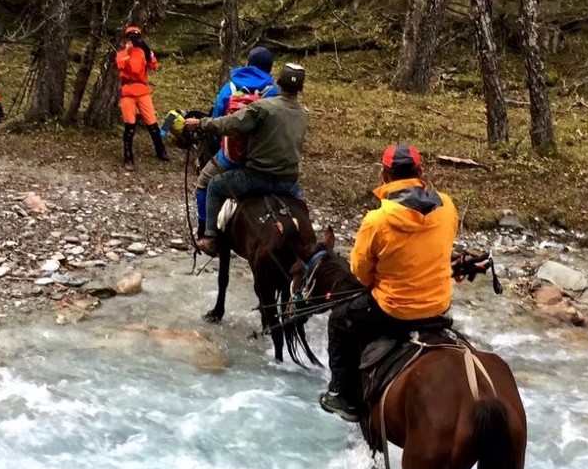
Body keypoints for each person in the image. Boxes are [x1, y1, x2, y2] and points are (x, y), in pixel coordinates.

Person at [319, 144, 460, 422]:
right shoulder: (447, 205)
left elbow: (360, 273)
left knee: (338, 321)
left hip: (393, 310)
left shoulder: (377, 220)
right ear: (420, 172)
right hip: (437, 306)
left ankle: (341, 395)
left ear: (385, 175)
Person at [185, 62, 308, 257]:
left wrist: (201, 123)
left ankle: (210, 238)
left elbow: (230, 124)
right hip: (289, 183)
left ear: (279, 82)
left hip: (257, 177)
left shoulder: (263, 107)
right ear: (300, 88)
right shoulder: (302, 114)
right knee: (302, 210)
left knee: (215, 185)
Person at [193, 46, 279, 238]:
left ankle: (205, 233)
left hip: (231, 157)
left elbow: (216, 121)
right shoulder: (274, 92)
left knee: (203, 183)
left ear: (247, 63)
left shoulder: (230, 87)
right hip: (262, 158)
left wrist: (218, 144)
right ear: (270, 68)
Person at [115, 24, 169, 167]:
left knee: (152, 124)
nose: (133, 39)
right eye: (130, 37)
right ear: (125, 39)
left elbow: (154, 66)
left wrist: (146, 48)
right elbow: (121, 65)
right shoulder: (121, 53)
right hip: (128, 91)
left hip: (143, 90)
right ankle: (128, 156)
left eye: (136, 36)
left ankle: (161, 150)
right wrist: (128, 49)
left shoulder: (143, 52)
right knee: (129, 126)